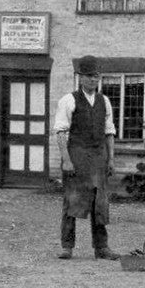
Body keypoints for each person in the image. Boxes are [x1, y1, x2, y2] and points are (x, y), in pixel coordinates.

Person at [53, 55, 120, 260]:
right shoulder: (69, 100)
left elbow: (109, 132)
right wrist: (66, 159)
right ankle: (67, 246)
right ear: (80, 78)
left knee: (100, 202)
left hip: (99, 156)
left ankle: (101, 247)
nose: (93, 80)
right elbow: (61, 132)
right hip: (77, 155)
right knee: (72, 199)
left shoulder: (104, 101)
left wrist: (111, 159)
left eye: (96, 77)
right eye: (89, 76)